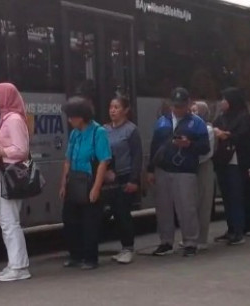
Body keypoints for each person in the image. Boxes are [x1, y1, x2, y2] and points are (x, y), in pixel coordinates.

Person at [147, 87, 210, 257]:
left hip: (185, 170)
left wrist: (189, 144)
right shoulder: (162, 121)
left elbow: (205, 148)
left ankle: (190, 242)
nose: (178, 109)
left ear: (188, 104)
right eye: (175, 106)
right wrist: (150, 170)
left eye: (181, 106)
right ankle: (166, 242)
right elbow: (154, 147)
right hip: (163, 169)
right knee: (163, 208)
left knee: (187, 208)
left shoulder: (197, 123)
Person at [0, 83, 32, 282]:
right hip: (3, 174)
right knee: (6, 221)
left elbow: (21, 150)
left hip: (10, 175)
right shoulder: (7, 118)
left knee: (10, 222)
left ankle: (20, 267)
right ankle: (14, 263)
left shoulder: (13, 119)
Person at [59, 96, 112, 270]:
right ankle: (75, 254)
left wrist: (96, 188)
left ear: (80, 117)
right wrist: (63, 184)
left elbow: (104, 161)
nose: (69, 120)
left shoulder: (99, 132)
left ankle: (90, 257)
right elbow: (67, 159)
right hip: (74, 180)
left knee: (90, 222)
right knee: (70, 220)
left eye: (71, 116)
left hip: (89, 180)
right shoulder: (74, 134)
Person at [213, 88, 250, 245]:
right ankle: (231, 228)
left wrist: (227, 135)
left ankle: (239, 231)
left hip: (238, 162)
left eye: (225, 99)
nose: (222, 102)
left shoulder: (245, 118)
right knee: (226, 197)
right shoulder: (220, 118)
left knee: (236, 196)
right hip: (222, 161)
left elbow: (245, 137)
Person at [105, 94, 143, 264]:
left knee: (123, 213)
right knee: (114, 213)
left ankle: (128, 248)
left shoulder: (131, 130)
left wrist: (134, 180)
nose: (113, 111)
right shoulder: (105, 130)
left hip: (126, 176)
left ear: (126, 110)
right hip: (110, 177)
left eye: (117, 107)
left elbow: (137, 156)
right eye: (111, 107)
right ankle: (122, 248)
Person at [191, 100, 216, 249]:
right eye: (191, 111)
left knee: (204, 203)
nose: (193, 114)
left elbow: (206, 153)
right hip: (191, 167)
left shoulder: (208, 130)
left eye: (196, 111)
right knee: (191, 204)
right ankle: (192, 236)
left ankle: (202, 239)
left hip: (203, 166)